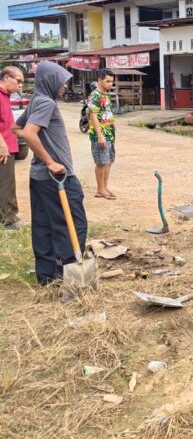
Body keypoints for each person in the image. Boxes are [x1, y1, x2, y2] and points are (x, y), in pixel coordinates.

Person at [12, 61, 88, 285]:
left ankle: (47, 275)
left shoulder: (37, 100)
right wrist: (50, 161)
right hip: (58, 177)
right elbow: (29, 132)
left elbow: (17, 128)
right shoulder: (46, 103)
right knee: (73, 223)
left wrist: (41, 147)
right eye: (61, 82)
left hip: (39, 177)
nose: (64, 86)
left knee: (44, 224)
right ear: (50, 81)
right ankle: (67, 271)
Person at [0, 66, 25, 229]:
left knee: (5, 182)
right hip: (3, 147)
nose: (20, 85)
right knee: (6, 183)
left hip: (9, 144)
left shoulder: (6, 95)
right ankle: (9, 219)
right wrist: (2, 145)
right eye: (18, 81)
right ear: (6, 78)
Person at [88, 68, 117, 199]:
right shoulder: (94, 96)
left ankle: (105, 187)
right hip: (99, 134)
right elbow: (93, 117)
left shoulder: (106, 95)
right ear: (100, 80)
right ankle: (100, 189)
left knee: (109, 160)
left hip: (109, 132)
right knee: (101, 162)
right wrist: (100, 136)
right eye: (108, 81)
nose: (110, 84)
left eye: (111, 81)